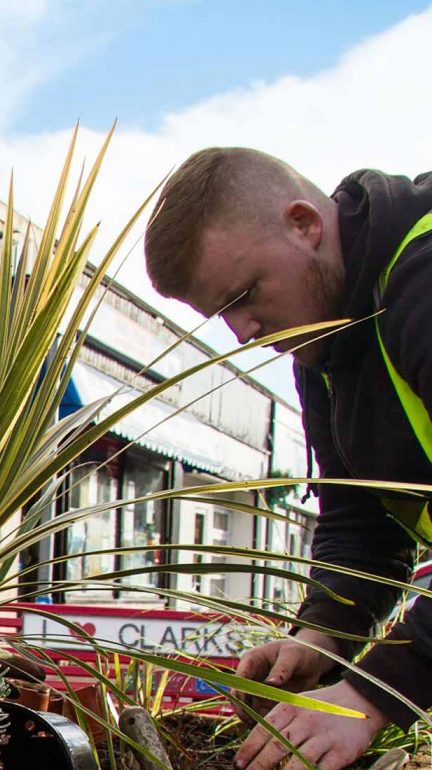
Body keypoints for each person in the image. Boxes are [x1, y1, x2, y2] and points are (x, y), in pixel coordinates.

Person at [144, 147, 432, 770]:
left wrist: (370, 695)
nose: (243, 332)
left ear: (304, 223)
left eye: (244, 295)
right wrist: (320, 637)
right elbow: (363, 522)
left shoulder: (424, 280)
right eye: (221, 315)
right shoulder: (322, 340)